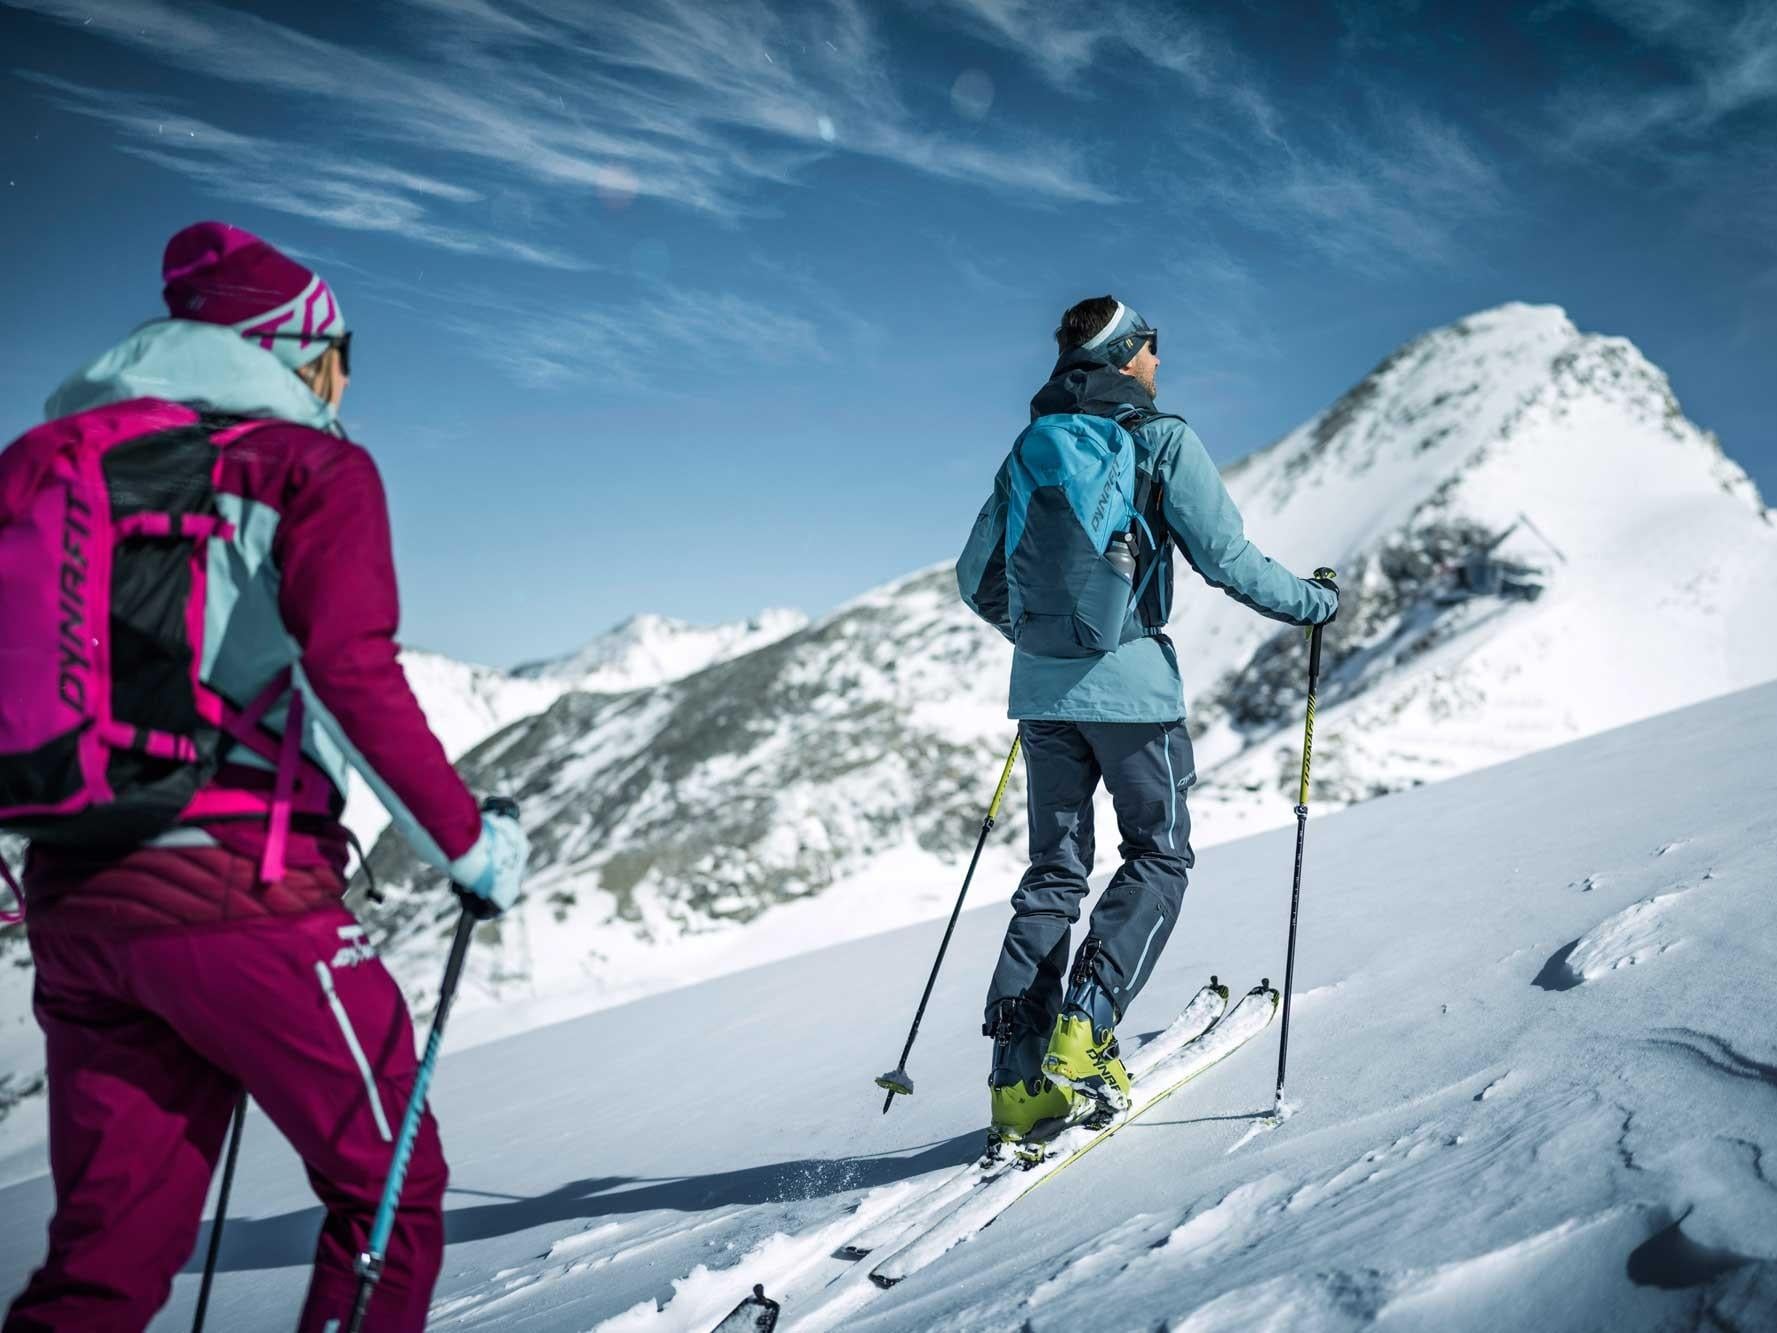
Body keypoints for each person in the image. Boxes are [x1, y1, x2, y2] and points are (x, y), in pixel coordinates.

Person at [1, 222, 527, 1333]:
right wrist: (470, 846)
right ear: (292, 348)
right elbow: (350, 668)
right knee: (390, 1193)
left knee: (105, 1255)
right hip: (243, 892)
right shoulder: (306, 466)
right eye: (340, 354)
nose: (345, 381)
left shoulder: (45, 467)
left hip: (72, 899)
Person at [956, 295, 1337, 1141]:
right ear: (1126, 353)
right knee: (1158, 853)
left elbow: (974, 578)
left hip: (1042, 695)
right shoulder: (1159, 439)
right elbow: (1226, 559)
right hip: (1132, 694)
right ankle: (1085, 1031)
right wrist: (1315, 602)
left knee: (1053, 875)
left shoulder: (1030, 447)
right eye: (1152, 346)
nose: (1160, 361)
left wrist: (1043, 635)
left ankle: (1015, 1082)